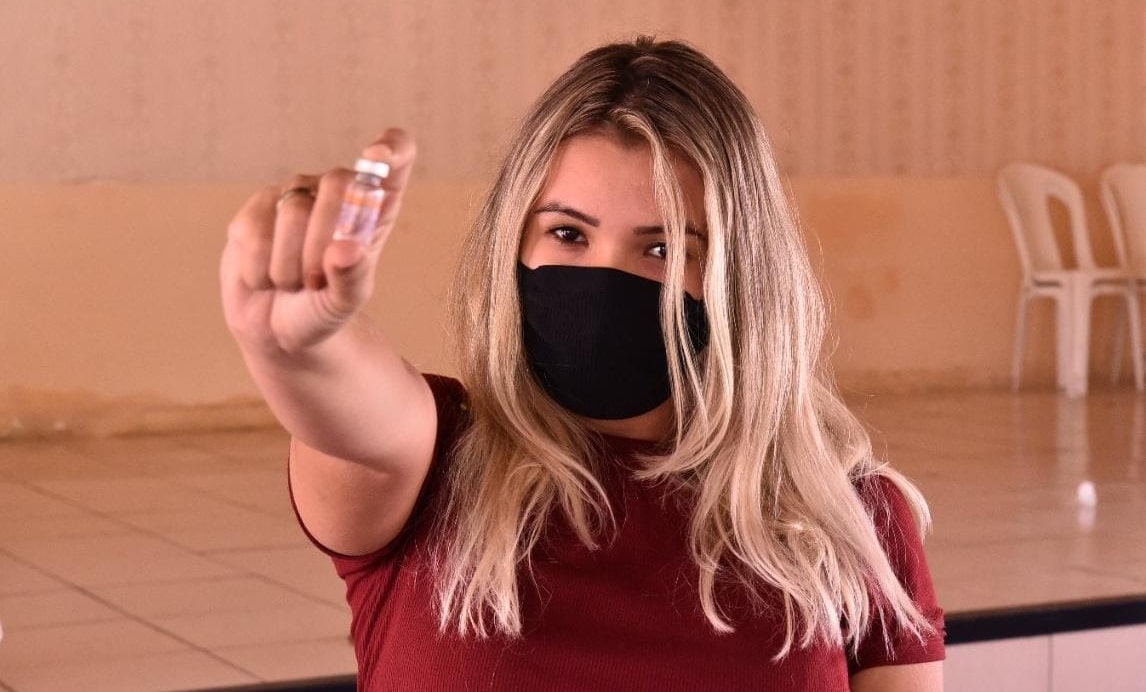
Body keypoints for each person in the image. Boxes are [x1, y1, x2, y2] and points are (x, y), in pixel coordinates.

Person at [220, 37, 945, 691]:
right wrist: (301, 345)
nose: (604, 280)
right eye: (568, 234)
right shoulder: (433, 462)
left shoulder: (851, 517)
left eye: (663, 249)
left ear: (740, 276)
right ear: (514, 244)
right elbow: (357, 413)